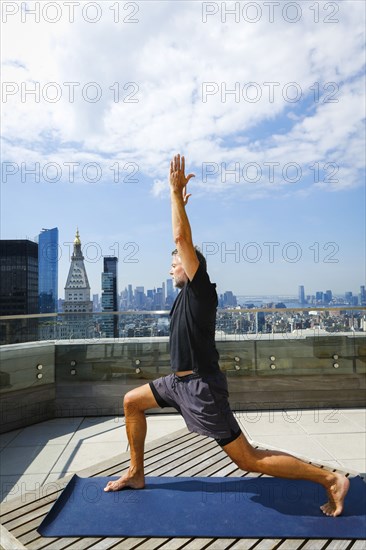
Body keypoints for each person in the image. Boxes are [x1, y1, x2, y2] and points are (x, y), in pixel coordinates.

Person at [104, 154, 349, 517]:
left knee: (247, 459)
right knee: (131, 402)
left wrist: (173, 195)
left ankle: (329, 480)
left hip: (202, 388)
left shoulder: (201, 291)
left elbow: (180, 237)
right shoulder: (181, 298)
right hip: (177, 383)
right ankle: (137, 472)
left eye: (174, 263)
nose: (169, 268)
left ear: (190, 267)